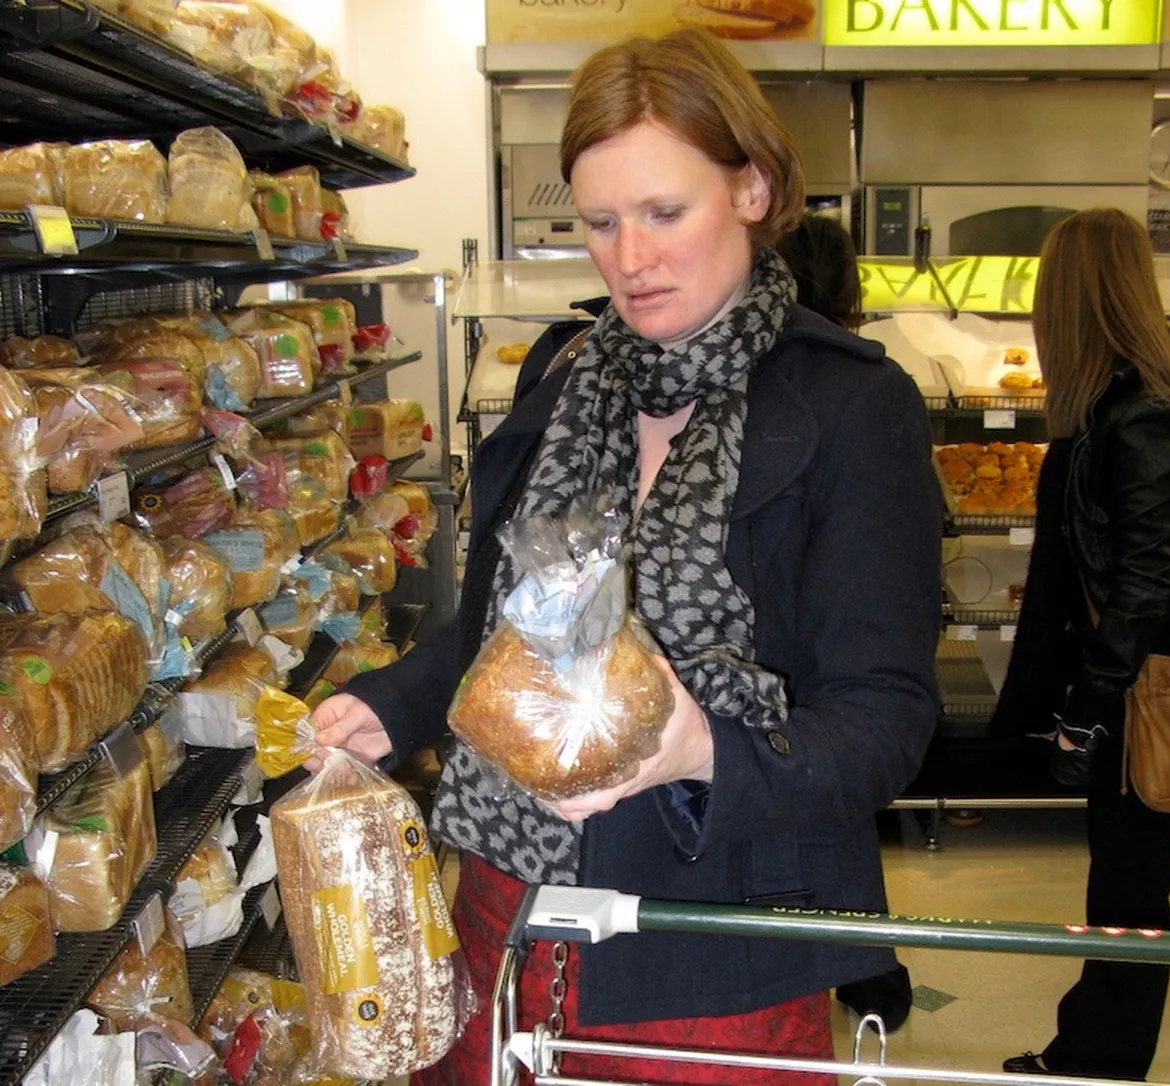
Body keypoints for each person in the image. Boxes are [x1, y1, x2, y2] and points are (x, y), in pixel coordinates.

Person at [310, 27, 943, 1084]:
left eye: (664, 212)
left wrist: (702, 754)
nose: (629, 260)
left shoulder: (851, 409)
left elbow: (886, 719)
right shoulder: (564, 383)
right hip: (508, 906)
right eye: (599, 222)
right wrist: (402, 702)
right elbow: (503, 635)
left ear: (753, 189)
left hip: (719, 947)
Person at [991, 207, 1170, 1080]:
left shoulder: (1142, 419)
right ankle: (1090, 1043)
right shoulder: (1118, 413)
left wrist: (1089, 701)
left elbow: (1150, 584)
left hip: (1143, 696)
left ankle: (1102, 1060)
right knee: (1122, 883)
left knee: (1128, 888)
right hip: (1133, 687)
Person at [775, 213, 914, 1034]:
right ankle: (870, 970)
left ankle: (866, 965)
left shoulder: (832, 386)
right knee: (837, 808)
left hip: (787, 667)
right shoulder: (858, 382)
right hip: (831, 660)